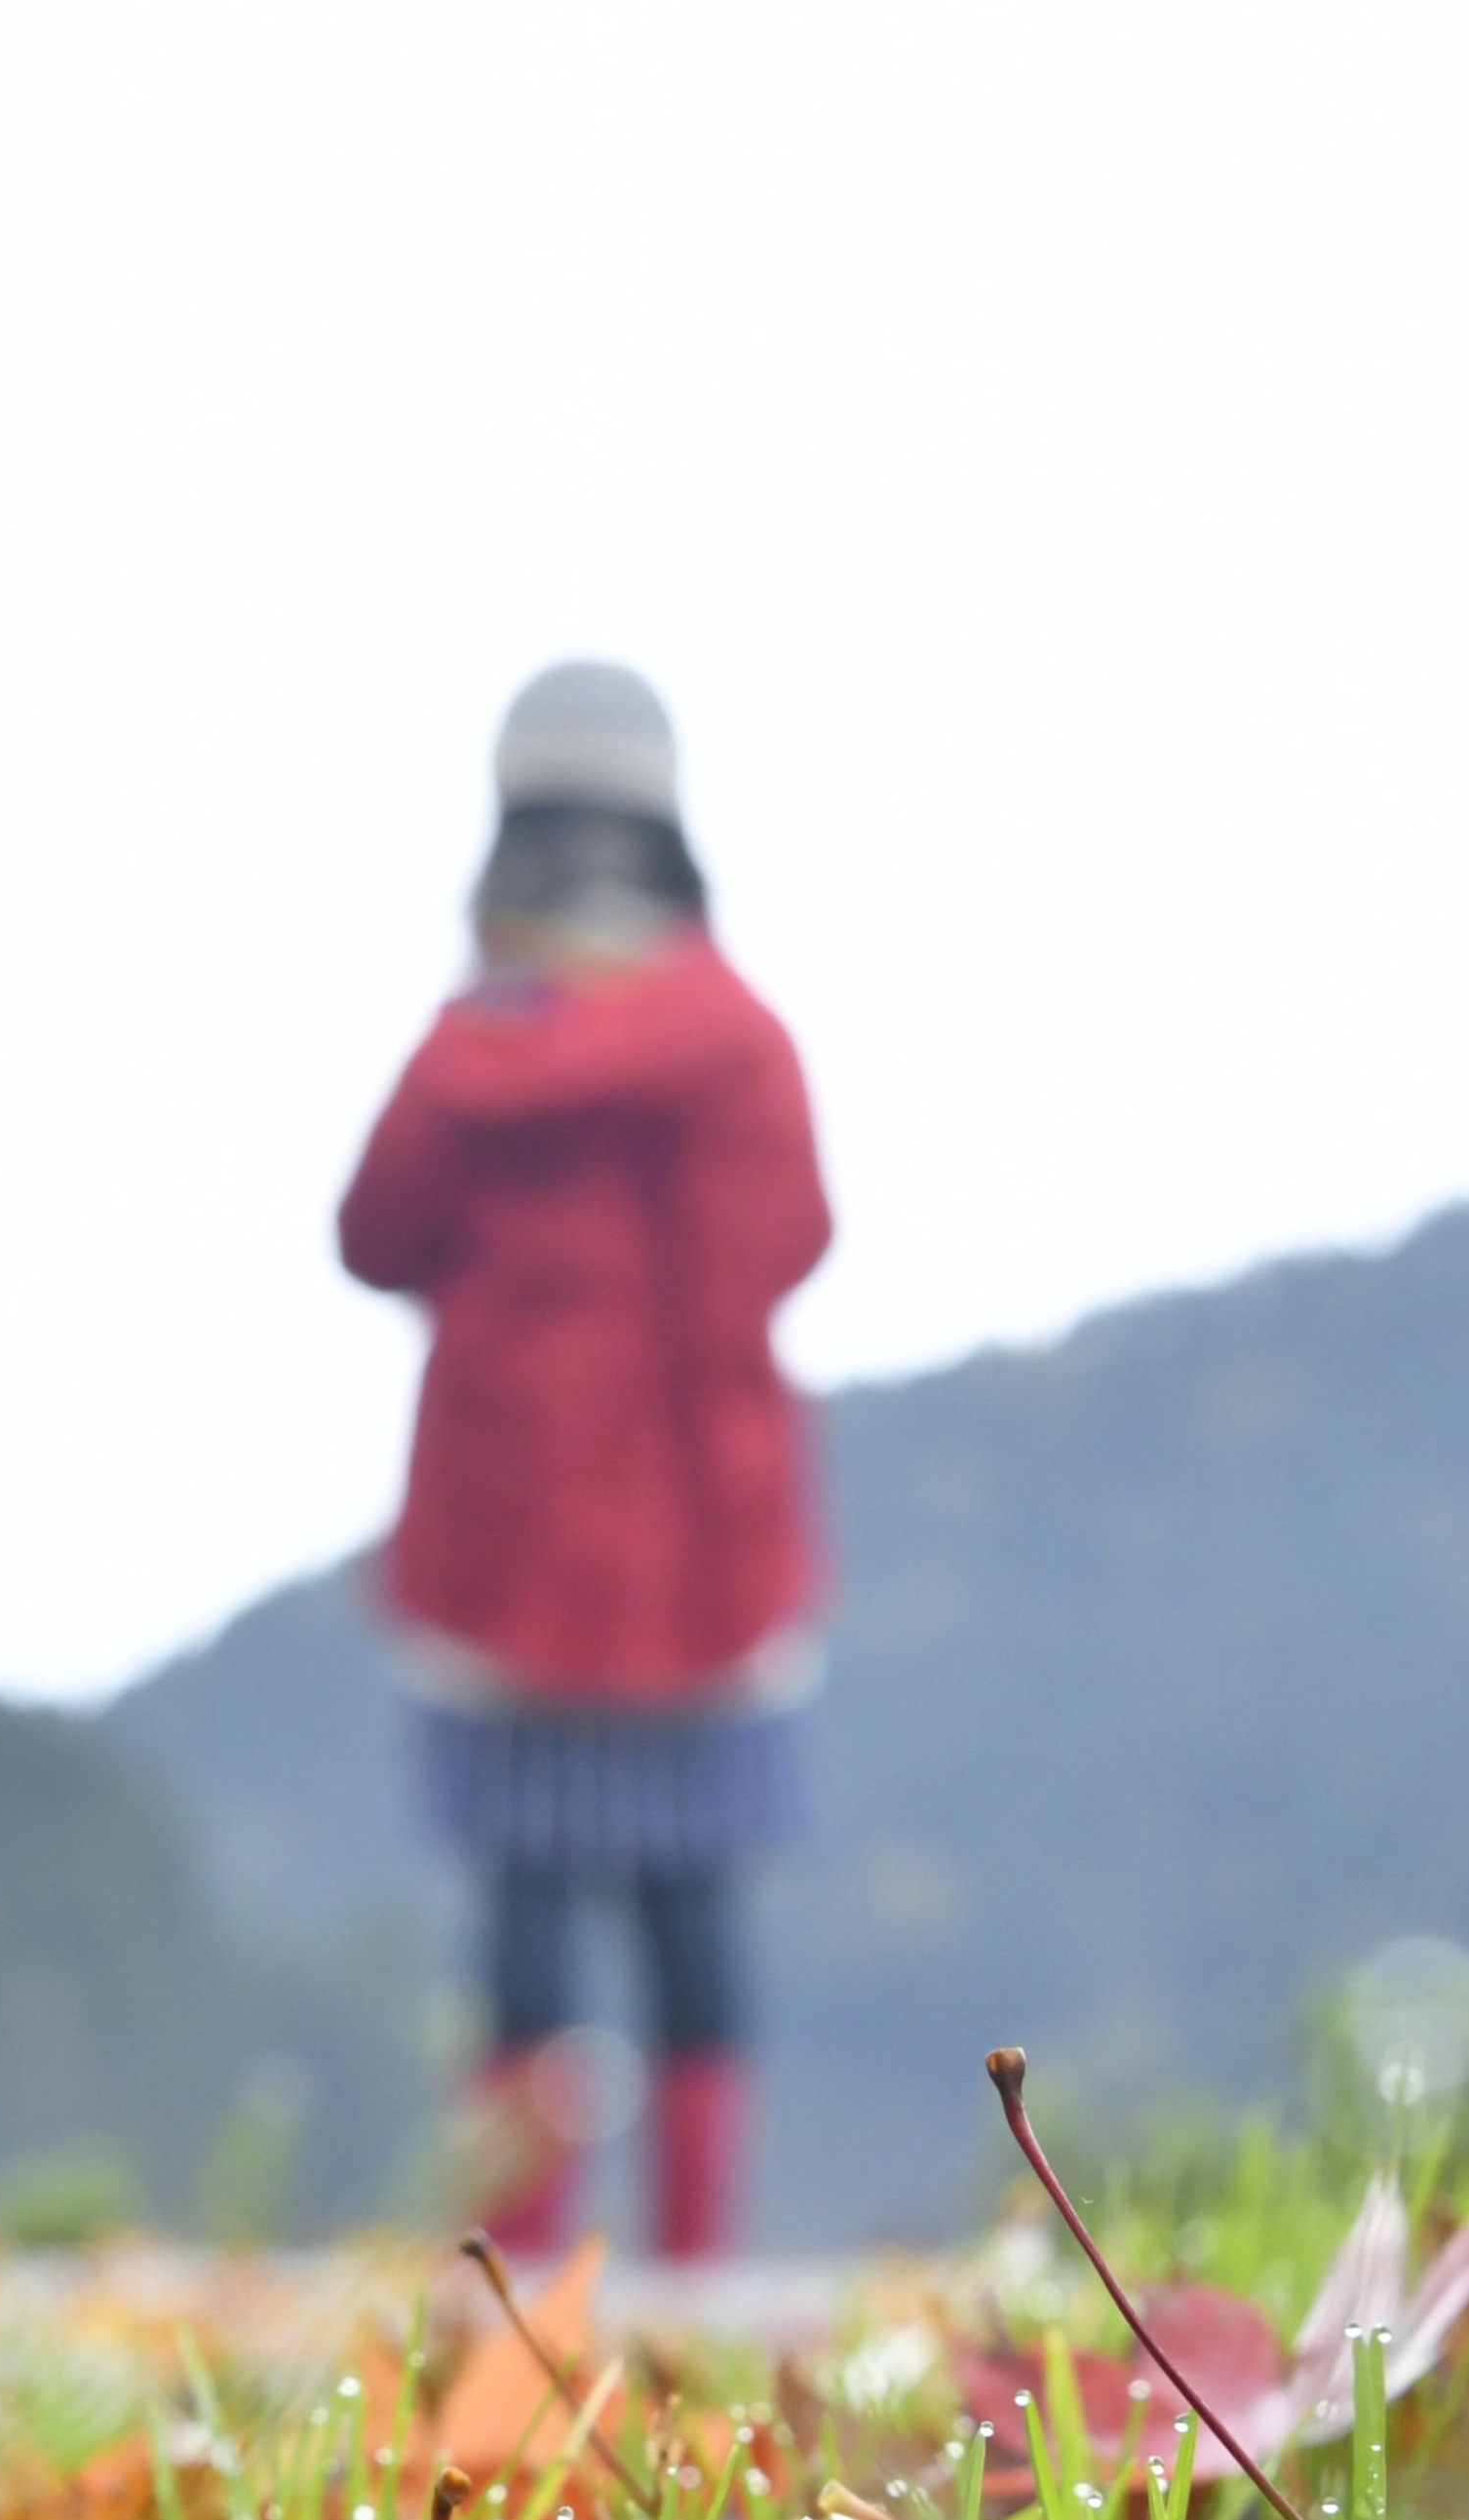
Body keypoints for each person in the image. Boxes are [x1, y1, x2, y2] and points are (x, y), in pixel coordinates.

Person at [337, 664, 831, 2261]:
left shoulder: (475, 1049)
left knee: (526, 1901)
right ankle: (696, 2261)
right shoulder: (739, 1043)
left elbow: (375, 1235)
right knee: (691, 1904)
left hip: (512, 1548)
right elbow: (796, 1238)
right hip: (705, 1547)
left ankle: (519, 2261)